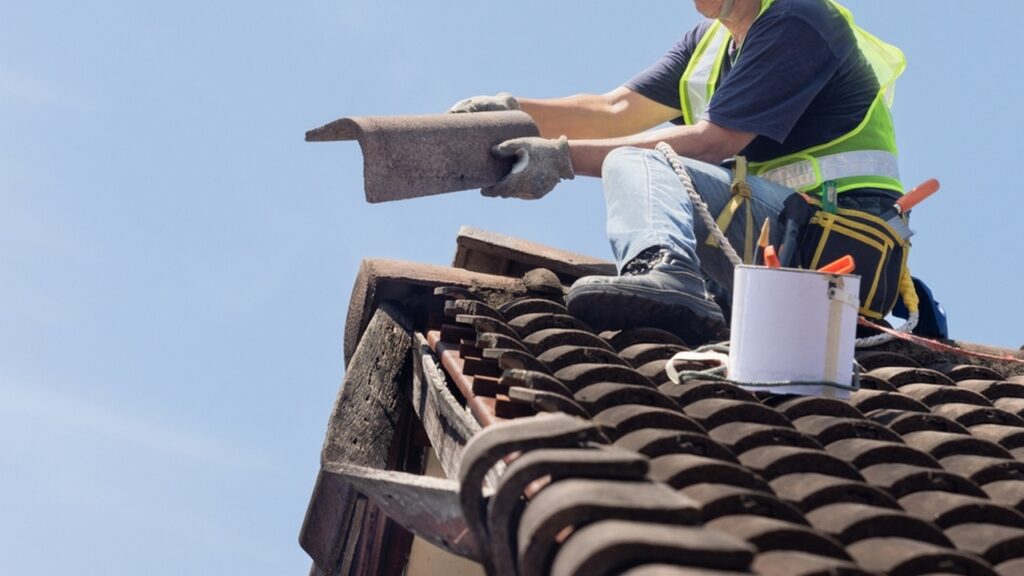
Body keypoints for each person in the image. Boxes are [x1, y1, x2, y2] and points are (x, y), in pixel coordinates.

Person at [451, 0, 907, 345]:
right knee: (644, 167)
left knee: (642, 162)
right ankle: (678, 286)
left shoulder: (798, 17)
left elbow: (713, 143)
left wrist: (559, 158)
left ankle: (668, 272)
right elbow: (614, 110)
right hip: (773, 237)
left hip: (830, 248)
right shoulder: (707, 46)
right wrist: (513, 112)